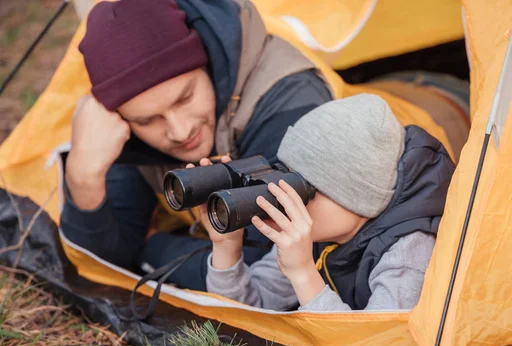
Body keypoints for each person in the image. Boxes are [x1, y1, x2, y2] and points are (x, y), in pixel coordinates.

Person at [60, 0, 333, 290]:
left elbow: (278, 270)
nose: (180, 131)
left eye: (185, 97)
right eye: (148, 120)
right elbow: (101, 265)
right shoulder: (125, 129)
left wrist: (153, 248)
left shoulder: (288, 103)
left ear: (208, 63)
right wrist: (82, 177)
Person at [202, 94, 455, 311]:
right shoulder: (316, 235)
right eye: (286, 176)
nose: (290, 197)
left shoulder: (408, 252)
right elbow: (251, 310)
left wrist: (304, 275)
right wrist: (227, 248)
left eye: (305, 188)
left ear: (356, 196)